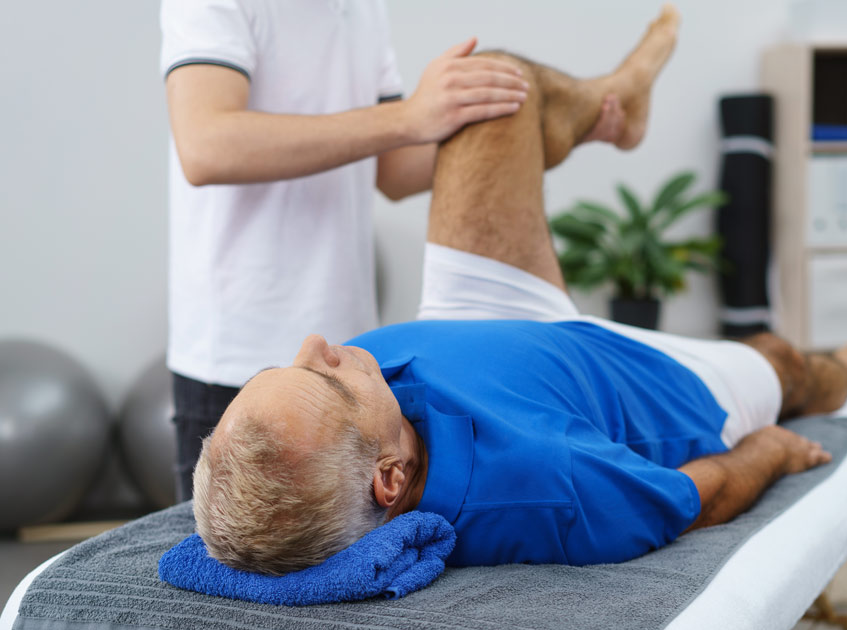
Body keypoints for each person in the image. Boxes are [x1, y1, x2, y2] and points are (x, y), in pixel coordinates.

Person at [191, 5, 847, 574]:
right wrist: (768, 451)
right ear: (391, 479)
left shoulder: (370, 412)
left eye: (289, 366)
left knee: (493, 88)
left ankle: (612, 102)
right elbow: (696, 497)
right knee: (781, 360)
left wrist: (426, 123)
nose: (319, 344)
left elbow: (392, 177)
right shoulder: (550, 483)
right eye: (327, 379)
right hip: (645, 385)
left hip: (480, 320)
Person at [159, 0, 628, 502]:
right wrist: (410, 116)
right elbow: (208, 144)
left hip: (350, 359)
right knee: (241, 566)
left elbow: (396, 168)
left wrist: (537, 132)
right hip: (238, 362)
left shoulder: (361, 8)